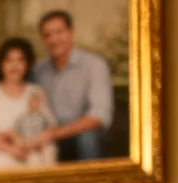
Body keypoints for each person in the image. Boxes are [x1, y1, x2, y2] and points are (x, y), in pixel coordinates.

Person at [29, 9, 115, 162]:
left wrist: (54, 133)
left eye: (59, 32)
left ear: (71, 33)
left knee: (88, 137)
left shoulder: (94, 65)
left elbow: (98, 116)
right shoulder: (38, 71)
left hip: (81, 134)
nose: (53, 40)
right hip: (48, 136)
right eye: (47, 35)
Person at [0, 38, 58, 170]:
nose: (14, 66)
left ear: (27, 64)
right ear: (1, 64)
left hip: (30, 154)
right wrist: (10, 148)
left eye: (20, 60)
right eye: (9, 60)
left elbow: (49, 127)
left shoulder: (35, 92)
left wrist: (30, 144)